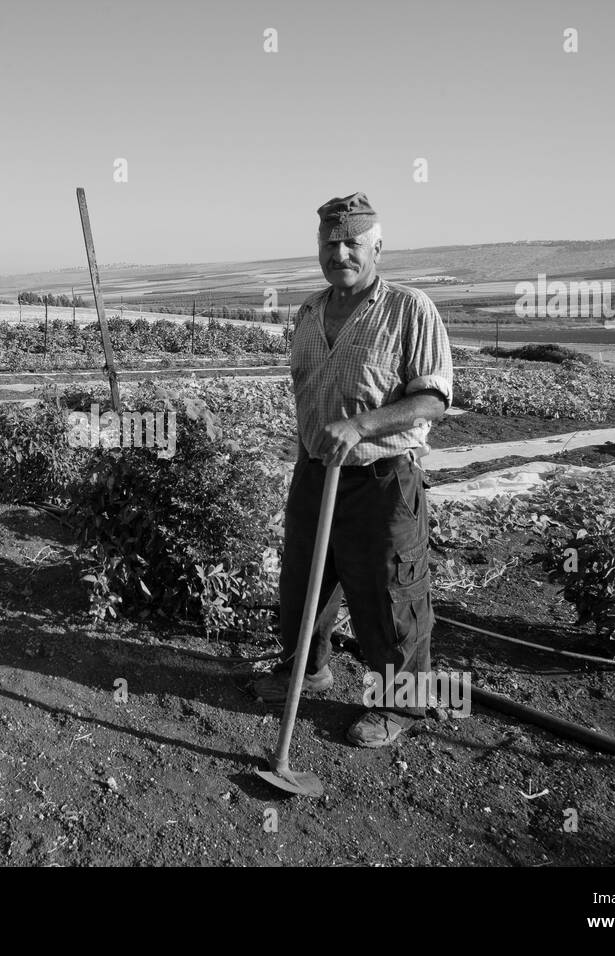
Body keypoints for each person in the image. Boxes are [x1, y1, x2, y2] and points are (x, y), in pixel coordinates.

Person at [253, 193, 454, 747]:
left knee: (390, 595)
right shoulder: (310, 312)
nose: (339, 252)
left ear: (377, 247)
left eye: (352, 243)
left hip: (382, 479)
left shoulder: (410, 309)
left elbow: (433, 399)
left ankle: (400, 705)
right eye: (329, 243)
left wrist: (362, 426)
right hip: (317, 473)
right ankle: (306, 672)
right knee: (303, 585)